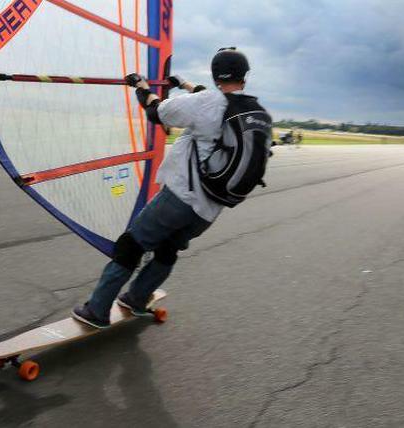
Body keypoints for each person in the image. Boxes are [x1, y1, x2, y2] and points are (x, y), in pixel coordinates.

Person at [72, 48, 269, 328]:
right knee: (167, 249)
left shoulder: (207, 102)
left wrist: (141, 87)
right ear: (244, 76)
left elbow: (156, 112)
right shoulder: (255, 112)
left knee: (132, 245)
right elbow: (211, 101)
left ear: (215, 74)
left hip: (179, 198)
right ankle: (136, 299)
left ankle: (97, 310)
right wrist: (184, 83)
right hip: (209, 210)